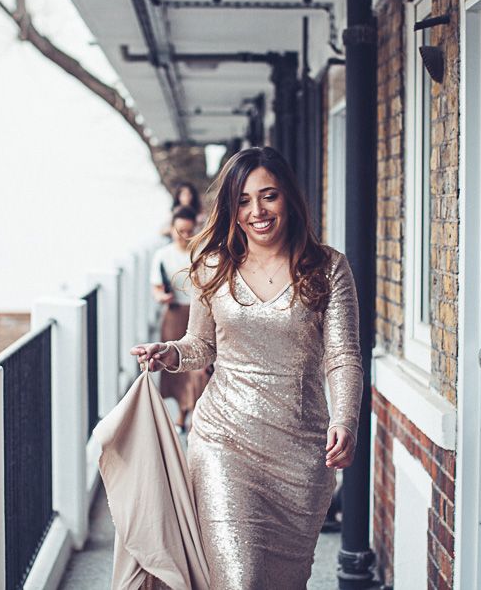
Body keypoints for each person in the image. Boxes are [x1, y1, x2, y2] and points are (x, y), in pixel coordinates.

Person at [131, 146, 363, 589]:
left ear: (289, 199)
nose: (257, 210)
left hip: (301, 454)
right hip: (223, 442)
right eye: (242, 200)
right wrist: (172, 353)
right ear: (231, 208)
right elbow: (201, 345)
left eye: (268, 196)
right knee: (236, 580)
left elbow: (342, 355)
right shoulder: (213, 266)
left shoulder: (328, 268)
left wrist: (346, 419)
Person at [149, 205, 211, 431]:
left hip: (199, 312)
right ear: (172, 229)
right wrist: (162, 296)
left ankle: (191, 411)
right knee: (175, 364)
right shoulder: (162, 255)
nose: (184, 236)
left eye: (188, 231)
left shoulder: (202, 252)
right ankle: (182, 411)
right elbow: (156, 287)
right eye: (179, 230)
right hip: (174, 313)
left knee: (198, 365)